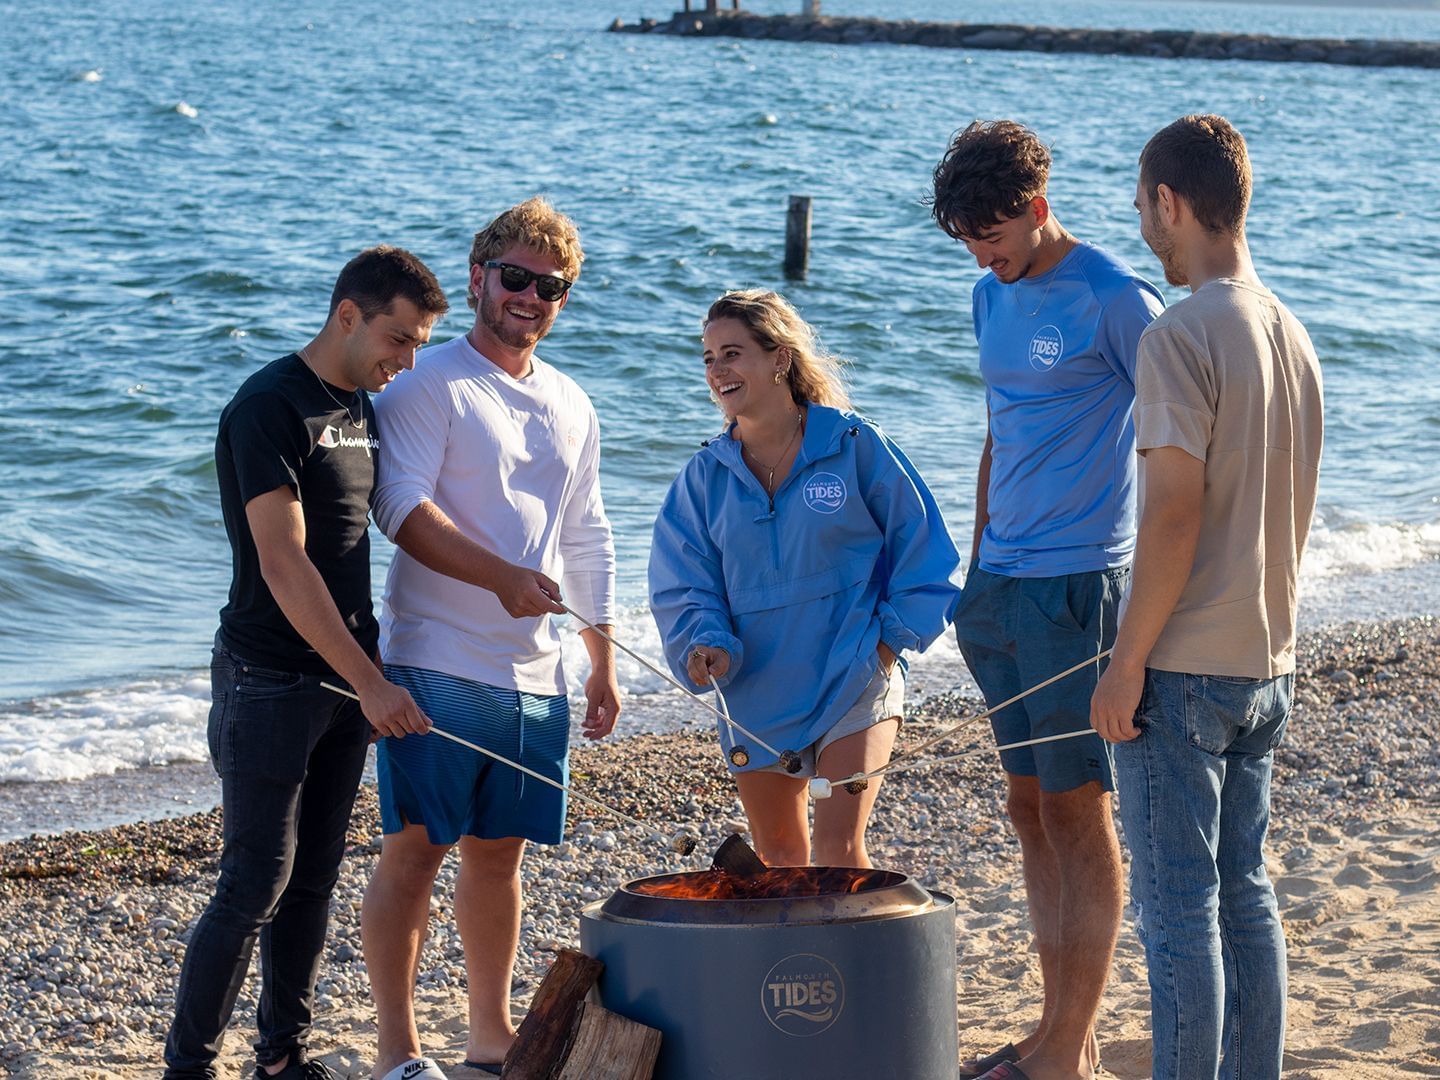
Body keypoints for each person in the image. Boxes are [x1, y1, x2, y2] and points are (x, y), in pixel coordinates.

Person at [164, 247, 448, 1080]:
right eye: (400, 338)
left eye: (422, 343)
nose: (409, 359)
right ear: (348, 315)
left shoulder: (361, 403)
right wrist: (371, 682)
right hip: (269, 680)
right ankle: (187, 1067)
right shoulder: (268, 407)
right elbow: (284, 562)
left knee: (314, 880)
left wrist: (374, 667)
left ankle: (281, 1059)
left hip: (343, 681)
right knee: (254, 883)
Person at [929, 120, 1166, 1080]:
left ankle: (1068, 1047)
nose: (984, 256)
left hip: (1079, 584)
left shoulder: (1118, 297)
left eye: (993, 234)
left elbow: (1182, 446)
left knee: (1078, 813)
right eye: (968, 241)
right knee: (1028, 808)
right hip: (1003, 584)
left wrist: (1155, 607)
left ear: (1036, 206)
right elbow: (1002, 425)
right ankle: (1054, 1027)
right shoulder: (992, 295)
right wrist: (981, 555)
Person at [361, 197, 619, 1080]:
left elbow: (587, 533)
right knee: (417, 847)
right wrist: (500, 578)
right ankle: (398, 1050)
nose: (531, 296)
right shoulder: (429, 381)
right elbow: (401, 508)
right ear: (478, 278)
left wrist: (601, 657)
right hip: (435, 659)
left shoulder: (572, 400)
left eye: (552, 286)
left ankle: (489, 1037)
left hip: (537, 670)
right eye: (516, 277)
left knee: (499, 855)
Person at [1091, 114, 1323, 1080]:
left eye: (1145, 208)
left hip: (1184, 669)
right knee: (1245, 897)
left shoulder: (1179, 333)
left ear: (1170, 202)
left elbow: (1175, 514)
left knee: (1179, 912)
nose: (1144, 228)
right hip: (1267, 659)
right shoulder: (1292, 331)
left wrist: (1127, 659)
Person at [649, 289, 962, 869]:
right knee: (779, 857)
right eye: (709, 357)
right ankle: (800, 965)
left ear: (779, 359)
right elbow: (686, 583)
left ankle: (860, 964)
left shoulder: (854, 445)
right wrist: (705, 642)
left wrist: (888, 643)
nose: (718, 370)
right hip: (755, 687)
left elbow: (924, 551)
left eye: (734, 353)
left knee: (841, 852)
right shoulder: (702, 478)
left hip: (855, 671)